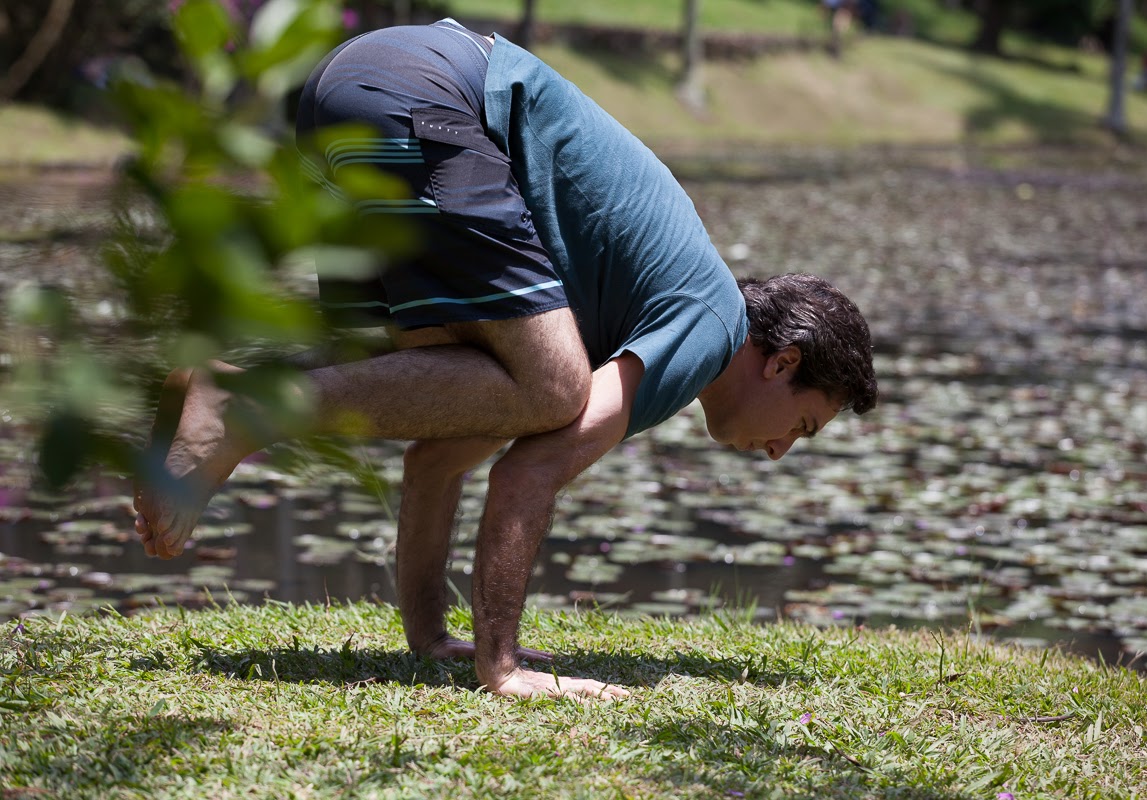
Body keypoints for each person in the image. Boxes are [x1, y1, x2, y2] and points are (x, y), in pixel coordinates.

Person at [134, 20, 877, 699]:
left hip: (344, 97)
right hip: (425, 98)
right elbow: (530, 471)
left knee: (476, 398)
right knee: (553, 388)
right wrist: (503, 665)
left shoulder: (629, 308)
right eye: (803, 425)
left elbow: (437, 459)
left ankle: (238, 400)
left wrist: (431, 642)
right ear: (782, 363)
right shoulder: (710, 325)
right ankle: (236, 404)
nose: (780, 450)